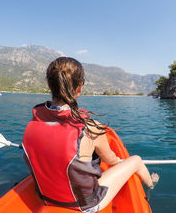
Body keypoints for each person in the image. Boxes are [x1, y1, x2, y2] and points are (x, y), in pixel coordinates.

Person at [23, 57, 159, 212]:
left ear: (49, 85)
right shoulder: (90, 127)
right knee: (136, 160)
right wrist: (121, 160)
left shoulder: (34, 121)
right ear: (79, 88)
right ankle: (152, 184)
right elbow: (111, 160)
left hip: (45, 198)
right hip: (85, 205)